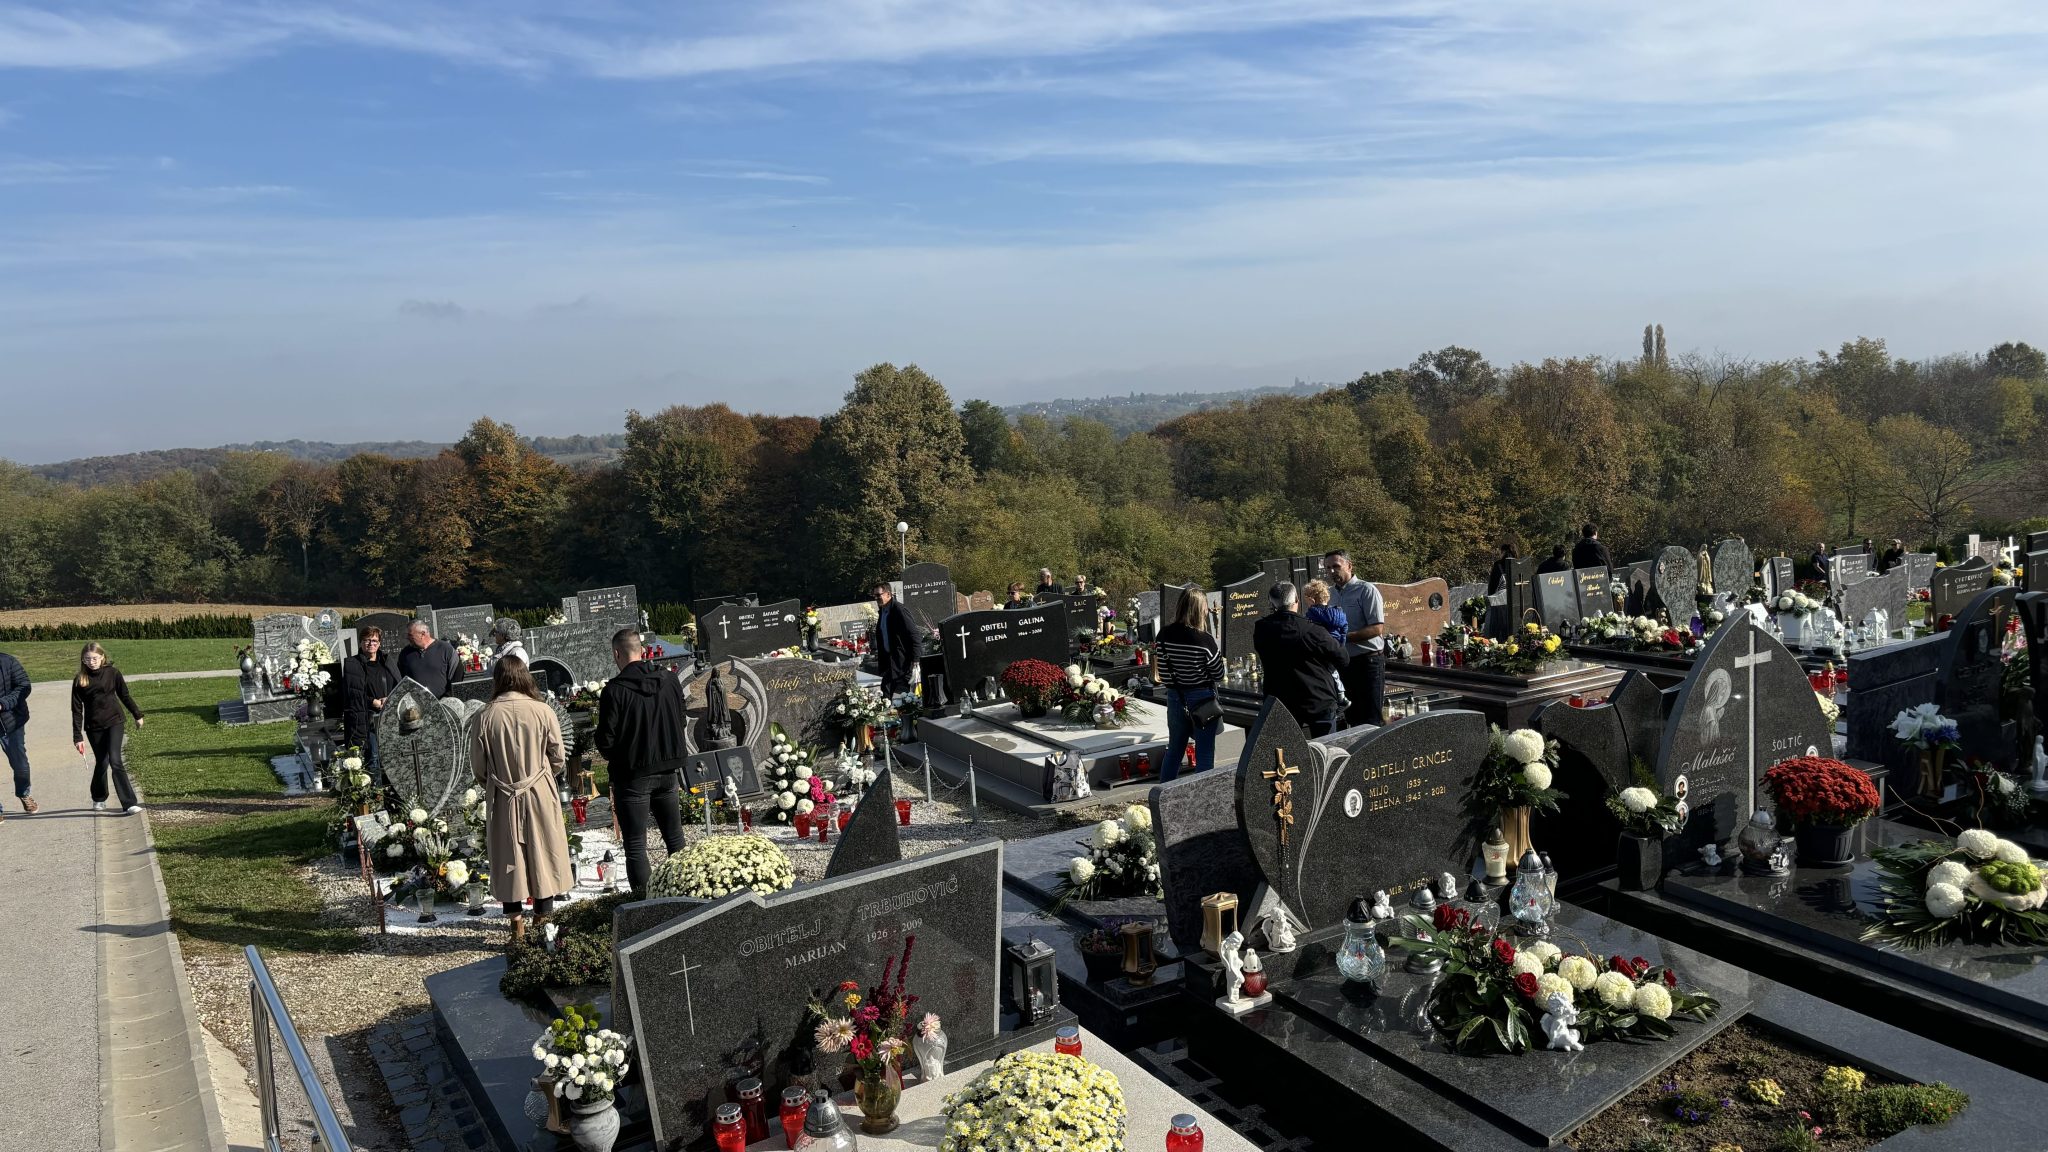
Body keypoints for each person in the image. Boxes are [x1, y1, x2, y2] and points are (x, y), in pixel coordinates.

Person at [471, 654, 574, 947]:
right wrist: (541, 775)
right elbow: (558, 756)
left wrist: (497, 783)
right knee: (544, 852)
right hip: (538, 790)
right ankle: (542, 918)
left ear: (498, 680)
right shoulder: (542, 711)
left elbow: (479, 768)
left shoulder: (485, 716)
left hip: (504, 794)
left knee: (509, 856)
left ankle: (516, 923)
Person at [596, 628, 689, 896]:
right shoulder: (670, 680)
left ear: (617, 654)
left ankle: (644, 906)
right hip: (668, 769)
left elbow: (606, 740)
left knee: (636, 845)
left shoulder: (614, 691)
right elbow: (681, 720)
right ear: (643, 650)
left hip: (633, 775)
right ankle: (685, 896)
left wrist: (621, 755)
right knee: (675, 838)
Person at [1252, 582, 1350, 736]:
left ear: (1272, 603)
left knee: (1287, 748)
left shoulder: (1261, 629)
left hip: (1281, 699)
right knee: (1326, 747)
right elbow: (1343, 658)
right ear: (1297, 600)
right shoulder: (1313, 630)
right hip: (1318, 698)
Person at [1153, 586, 1224, 780]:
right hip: (1203, 699)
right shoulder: (1204, 640)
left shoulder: (1163, 635)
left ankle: (1164, 791)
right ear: (1199, 609)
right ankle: (1203, 793)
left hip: (1175, 696)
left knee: (1174, 750)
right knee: (1205, 753)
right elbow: (1218, 674)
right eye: (1205, 607)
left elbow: (1163, 672)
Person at [71, 643, 145, 813]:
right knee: (102, 762)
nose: (91, 662)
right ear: (83, 660)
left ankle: (129, 803)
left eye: (95, 658)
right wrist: (77, 737)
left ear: (102, 657)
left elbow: (124, 695)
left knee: (115, 760)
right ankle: (98, 798)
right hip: (94, 726)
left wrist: (137, 714)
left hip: (114, 721)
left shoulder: (113, 673)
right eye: (87, 659)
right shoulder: (80, 679)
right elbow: (76, 710)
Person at [1323, 551, 1387, 727]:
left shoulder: (1366, 590)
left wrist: (1343, 638)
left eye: (1336, 566)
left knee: (1371, 719)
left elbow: (1377, 628)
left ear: (1349, 566)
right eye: (1328, 568)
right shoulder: (1329, 594)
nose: (1332, 571)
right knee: (1352, 718)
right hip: (1344, 662)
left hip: (1368, 662)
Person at [340, 626, 398, 769]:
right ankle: (375, 784)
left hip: (389, 714)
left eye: (374, 640)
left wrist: (389, 698)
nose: (371, 643)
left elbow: (398, 684)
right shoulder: (353, 664)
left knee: (393, 755)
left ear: (379, 643)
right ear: (361, 642)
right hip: (367, 718)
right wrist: (373, 701)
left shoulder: (387, 661)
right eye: (367, 640)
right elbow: (352, 693)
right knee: (373, 756)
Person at [0, 647, 34, 816]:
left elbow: (24, 686)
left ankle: (23, 792)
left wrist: (3, 703)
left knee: (21, 765)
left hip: (12, 722)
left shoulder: (8, 661)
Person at [872, 582, 920, 695]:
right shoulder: (883, 611)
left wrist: (916, 659)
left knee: (908, 694)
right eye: (874, 596)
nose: (876, 598)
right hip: (890, 661)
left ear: (888, 594)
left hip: (904, 662)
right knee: (886, 691)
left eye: (878, 595)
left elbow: (914, 634)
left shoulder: (899, 610)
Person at [399, 620, 464, 698]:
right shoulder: (405, 653)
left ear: (422, 634)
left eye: (410, 635)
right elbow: (401, 680)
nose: (407, 638)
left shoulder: (445, 649)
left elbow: (457, 677)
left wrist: (447, 698)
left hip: (444, 702)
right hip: (416, 704)